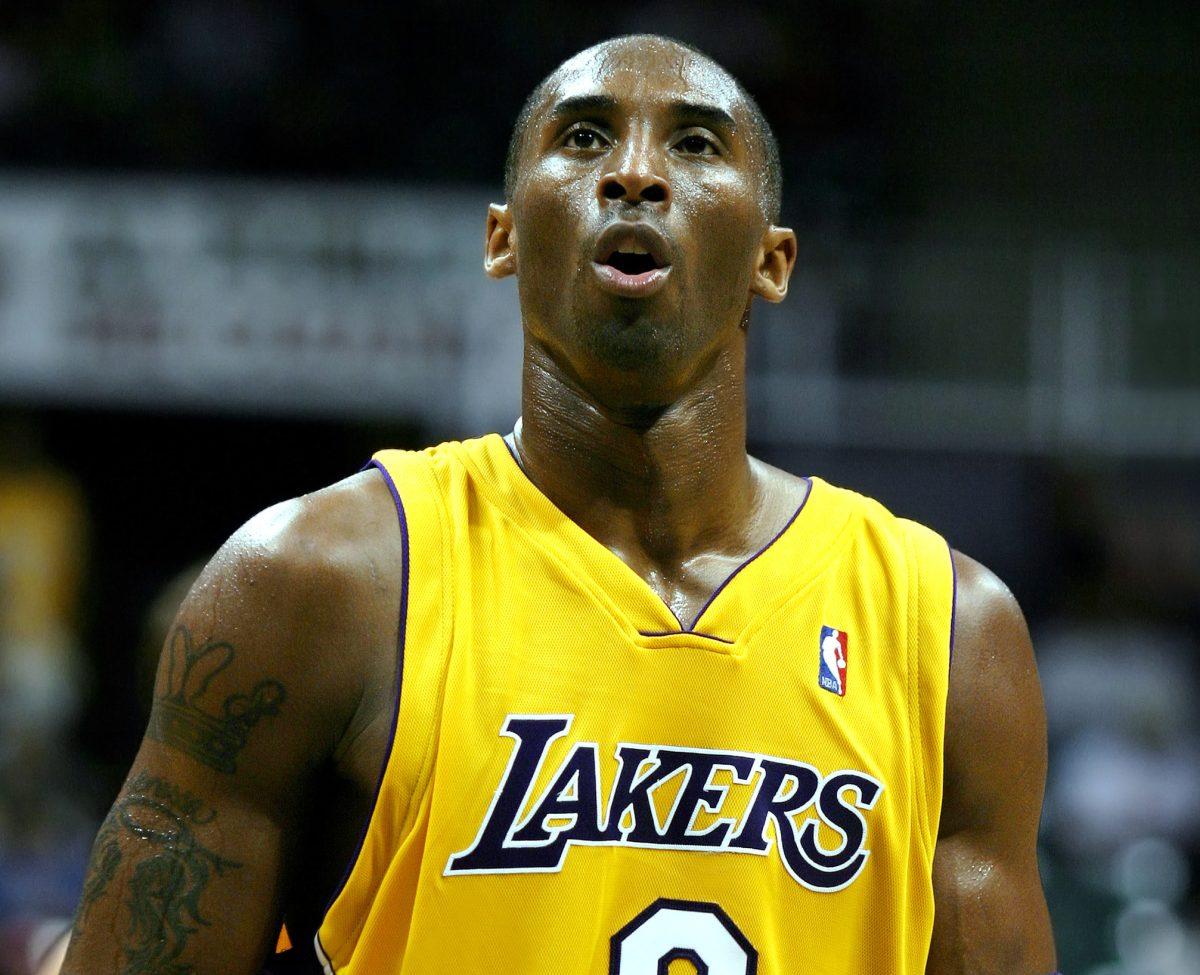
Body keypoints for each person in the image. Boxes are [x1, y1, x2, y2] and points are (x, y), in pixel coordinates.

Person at [60, 34, 1057, 974]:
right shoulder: (321, 581)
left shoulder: (948, 634)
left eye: (697, 144)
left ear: (772, 259)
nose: (633, 173)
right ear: (502, 237)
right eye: (581, 138)